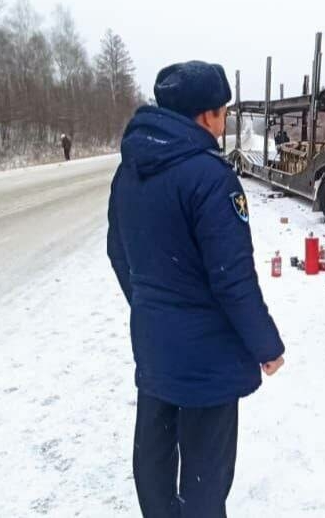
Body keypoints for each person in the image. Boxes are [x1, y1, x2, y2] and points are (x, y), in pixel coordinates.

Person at [107, 60, 285, 518]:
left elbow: (118, 252)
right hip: (207, 359)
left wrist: (152, 305)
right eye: (223, 112)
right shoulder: (210, 178)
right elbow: (232, 277)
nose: (224, 122)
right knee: (206, 477)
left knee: (154, 456)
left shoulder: (129, 171)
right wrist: (265, 345)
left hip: (154, 343)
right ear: (207, 116)